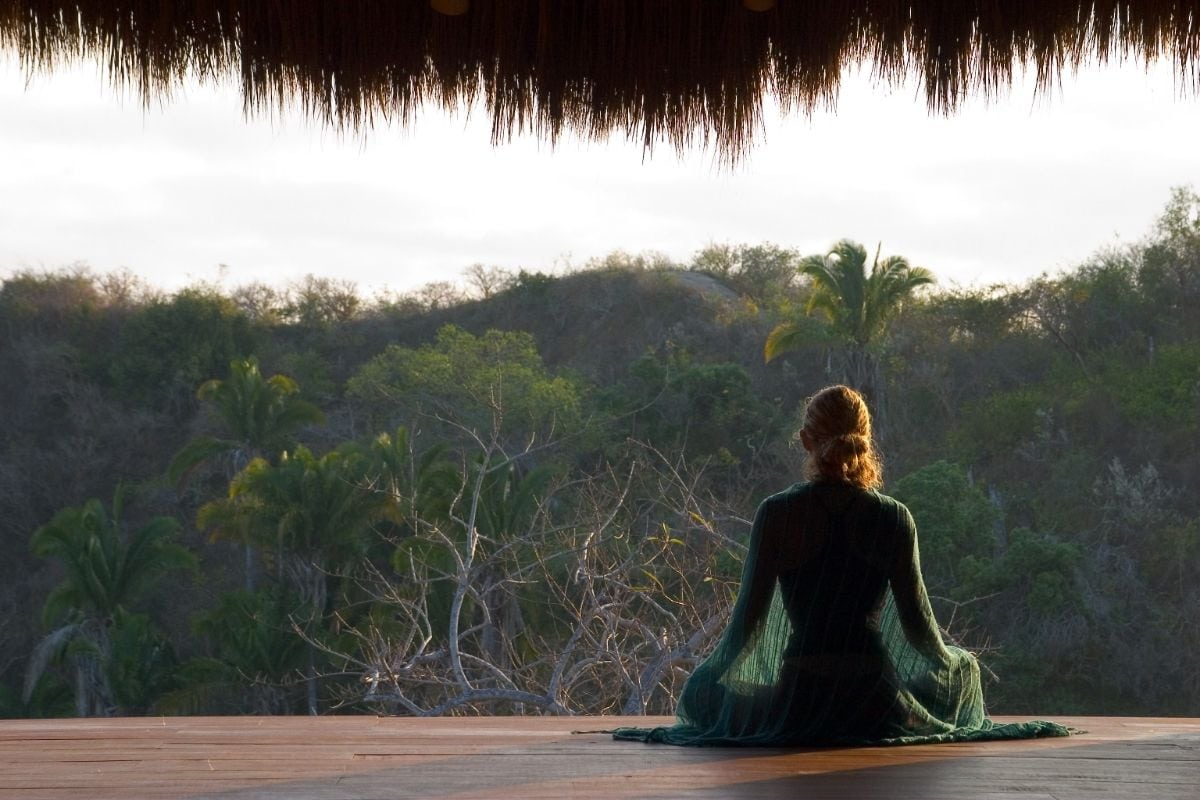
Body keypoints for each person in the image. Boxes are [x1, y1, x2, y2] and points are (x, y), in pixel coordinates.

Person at [614, 385, 1068, 746]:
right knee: (960, 669)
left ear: (806, 441)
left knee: (704, 695)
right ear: (866, 443)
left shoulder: (777, 514)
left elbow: (747, 627)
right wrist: (956, 663)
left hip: (801, 693)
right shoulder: (893, 517)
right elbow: (919, 629)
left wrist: (709, 679)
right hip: (873, 695)